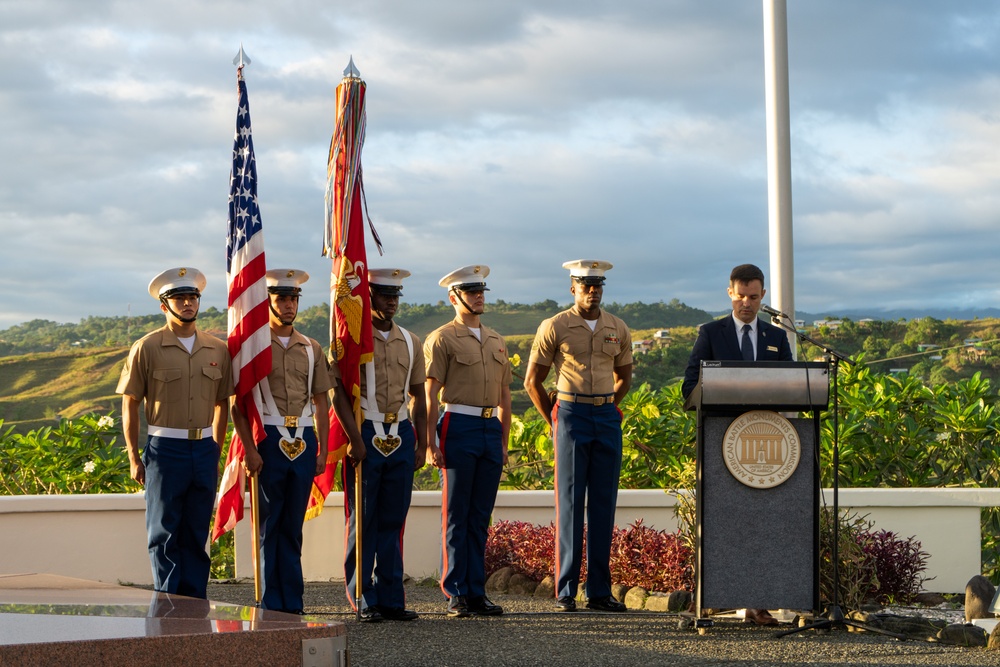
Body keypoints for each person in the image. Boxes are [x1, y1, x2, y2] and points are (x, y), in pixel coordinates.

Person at [230, 268, 360, 614]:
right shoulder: (254, 348)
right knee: (269, 524)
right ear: (267, 303)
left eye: (293, 299)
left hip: (302, 439)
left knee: (292, 526)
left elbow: (321, 399)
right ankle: (270, 600)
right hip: (269, 438)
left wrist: (319, 445)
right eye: (281, 299)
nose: (289, 306)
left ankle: (292, 600)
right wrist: (251, 449)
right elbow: (238, 405)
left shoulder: (310, 347)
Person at [681, 262, 793, 626]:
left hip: (764, 446)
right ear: (730, 293)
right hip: (721, 442)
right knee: (720, 524)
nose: (747, 303)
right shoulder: (711, 333)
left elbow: (791, 386)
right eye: (741, 296)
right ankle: (710, 601)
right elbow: (689, 387)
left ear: (763, 297)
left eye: (754, 297)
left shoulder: (776, 338)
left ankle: (757, 605)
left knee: (759, 524)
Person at [117, 267, 234, 599]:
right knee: (164, 533)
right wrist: (132, 456)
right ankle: (168, 609)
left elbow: (222, 403)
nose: (187, 303)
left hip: (203, 449)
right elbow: (130, 403)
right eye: (179, 298)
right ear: (163, 305)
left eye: (192, 297)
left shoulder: (217, 349)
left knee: (197, 532)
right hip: (164, 449)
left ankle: (195, 607)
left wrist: (216, 448)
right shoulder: (147, 347)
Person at [524, 260, 633, 613]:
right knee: (570, 502)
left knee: (604, 503)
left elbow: (624, 377)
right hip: (570, 415)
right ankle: (566, 590)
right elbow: (533, 381)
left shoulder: (617, 327)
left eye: (597, 284)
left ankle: (599, 591)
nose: (593, 290)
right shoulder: (555, 325)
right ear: (573, 288)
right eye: (585, 284)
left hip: (605, 415)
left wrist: (607, 406)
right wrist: (553, 422)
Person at [423, 264, 511, 618]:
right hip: (457, 424)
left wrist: (503, 442)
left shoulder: (496, 339)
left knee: (480, 516)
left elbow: (505, 393)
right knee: (456, 514)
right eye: (471, 292)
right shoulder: (442, 338)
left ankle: (477, 591)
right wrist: (429, 441)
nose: (478, 296)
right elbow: (430, 394)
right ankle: (455, 591)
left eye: (481, 291)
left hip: (490, 430)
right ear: (454, 297)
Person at [343, 268, 428, 622]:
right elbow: (337, 392)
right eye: (384, 294)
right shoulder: (353, 341)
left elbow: (419, 395)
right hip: (366, 433)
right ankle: (361, 595)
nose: (391, 301)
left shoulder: (411, 341)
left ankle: (392, 597)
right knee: (362, 520)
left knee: (393, 521)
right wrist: (353, 437)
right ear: (369, 297)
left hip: (401, 432)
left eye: (395, 295)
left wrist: (423, 443)